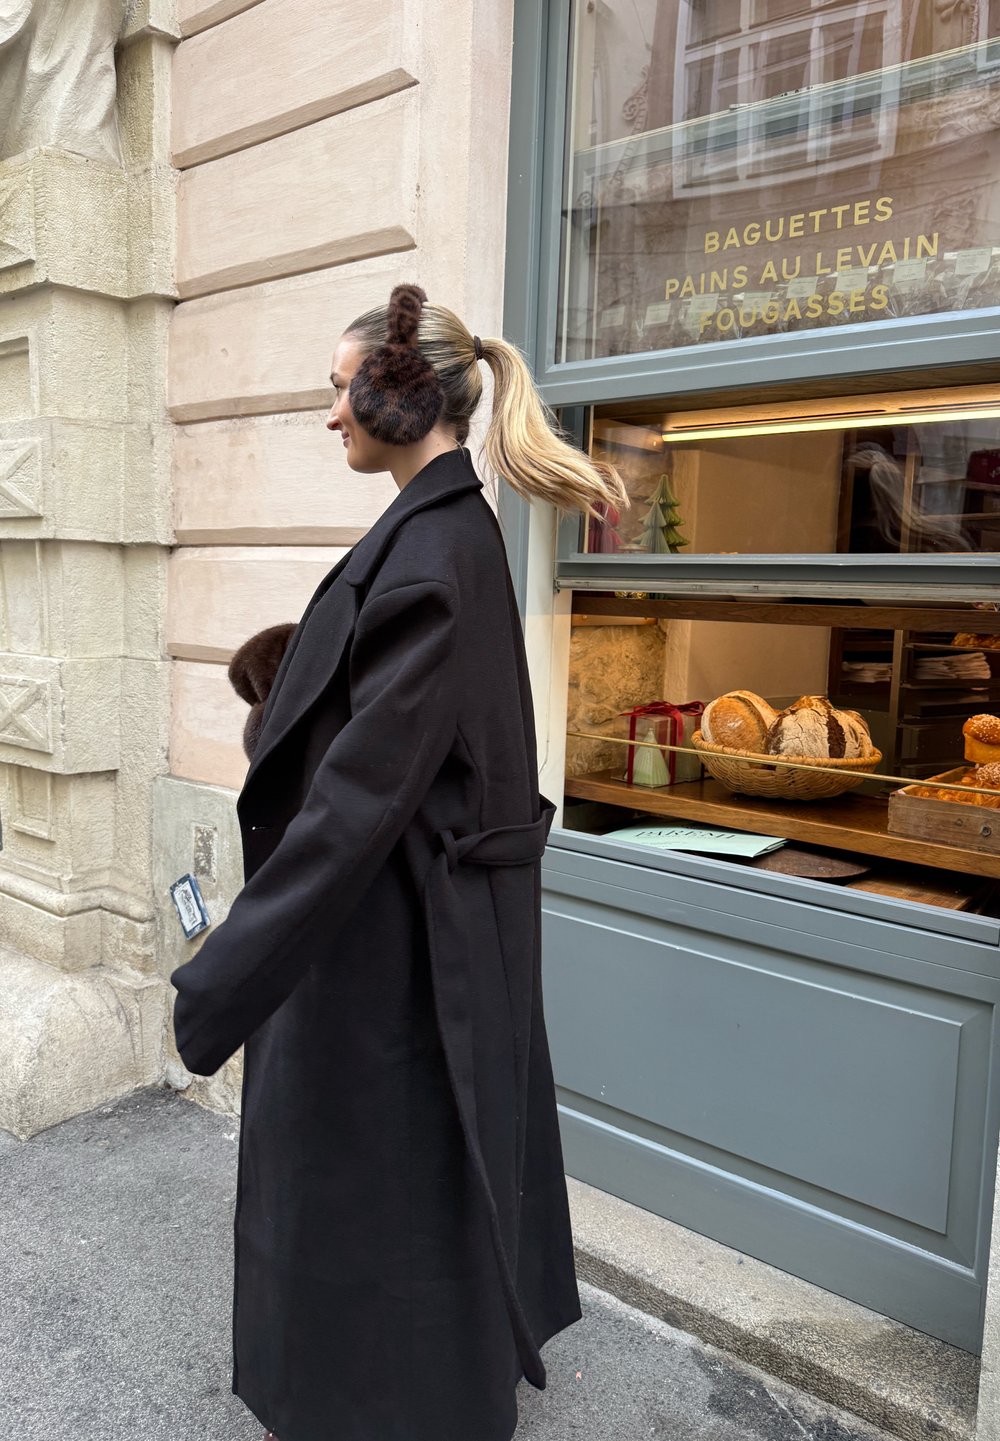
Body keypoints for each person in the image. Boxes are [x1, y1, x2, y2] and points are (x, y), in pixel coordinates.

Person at [169, 283, 628, 1441]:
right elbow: (400, 725)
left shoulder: (431, 549)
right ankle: (411, 1387)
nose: (328, 414)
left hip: (392, 944)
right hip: (411, 925)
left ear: (393, 392)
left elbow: (365, 798)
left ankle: (381, 1404)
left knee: (377, 1179)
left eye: (338, 387)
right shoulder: (438, 531)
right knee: (410, 1174)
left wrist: (222, 975)